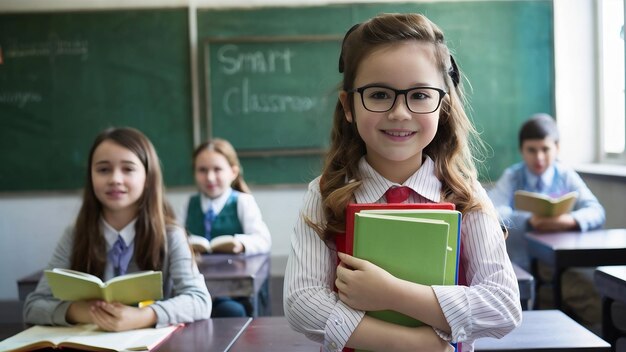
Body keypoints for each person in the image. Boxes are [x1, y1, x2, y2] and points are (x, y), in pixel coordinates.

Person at [283, 13, 521, 352]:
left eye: (420, 95)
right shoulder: (324, 194)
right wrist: (412, 343)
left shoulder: (466, 195)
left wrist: (390, 293)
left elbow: (503, 306)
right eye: (379, 94)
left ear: (444, 105)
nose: (399, 113)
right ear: (348, 106)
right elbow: (302, 303)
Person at [23, 127, 211, 330]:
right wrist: (86, 312)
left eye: (128, 169)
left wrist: (143, 316)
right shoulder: (75, 235)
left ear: (147, 178)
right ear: (91, 177)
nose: (115, 179)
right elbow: (33, 306)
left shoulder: (171, 235)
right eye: (103, 170)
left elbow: (199, 300)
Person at [488, 113, 606, 331]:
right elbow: (492, 212)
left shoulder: (566, 175)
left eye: (545, 149)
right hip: (519, 264)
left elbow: (596, 211)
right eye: (532, 150)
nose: (539, 157)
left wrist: (568, 220)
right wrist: (529, 220)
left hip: (559, 266)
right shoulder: (513, 176)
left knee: (589, 304)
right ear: (521, 150)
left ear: (557, 148)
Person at [184, 138, 271, 317]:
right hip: (197, 284)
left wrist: (240, 244)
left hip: (234, 290)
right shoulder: (189, 204)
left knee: (230, 311)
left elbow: (263, 239)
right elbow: (178, 236)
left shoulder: (242, 201)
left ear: (233, 172)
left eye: (217, 169)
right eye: (202, 170)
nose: (209, 177)